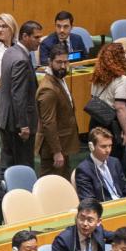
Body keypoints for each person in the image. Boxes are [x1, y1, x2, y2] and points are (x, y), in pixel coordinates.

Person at [0, 21, 43, 171]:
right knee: (23, 167)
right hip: (17, 123)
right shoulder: (21, 60)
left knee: (6, 164)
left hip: (6, 118)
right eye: (36, 37)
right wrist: (23, 124)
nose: (39, 41)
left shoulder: (10, 52)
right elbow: (19, 95)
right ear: (25, 36)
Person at [36, 45, 78, 179]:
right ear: (50, 62)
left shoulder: (59, 79)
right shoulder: (48, 89)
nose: (63, 66)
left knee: (64, 183)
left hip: (63, 145)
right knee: (50, 185)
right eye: (59, 62)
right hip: (53, 149)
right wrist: (57, 151)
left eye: (66, 62)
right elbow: (48, 123)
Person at [87, 43, 126, 163]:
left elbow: (93, 96)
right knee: (114, 161)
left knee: (98, 160)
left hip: (95, 122)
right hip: (112, 127)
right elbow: (120, 107)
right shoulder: (121, 79)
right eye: (124, 52)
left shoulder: (97, 75)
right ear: (117, 57)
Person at [76, 128, 126, 202]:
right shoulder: (84, 169)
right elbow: (88, 201)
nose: (108, 150)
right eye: (103, 146)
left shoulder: (114, 162)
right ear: (91, 147)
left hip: (122, 203)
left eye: (110, 146)